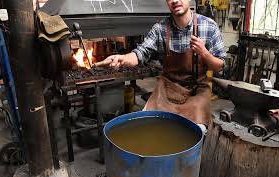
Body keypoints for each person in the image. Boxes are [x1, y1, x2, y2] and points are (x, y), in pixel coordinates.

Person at [95, 0, 225, 126]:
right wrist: (122, 58)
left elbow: (220, 67)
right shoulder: (160, 29)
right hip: (167, 90)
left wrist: (205, 53)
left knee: (196, 132)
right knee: (150, 125)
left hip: (196, 91)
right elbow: (141, 53)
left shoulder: (208, 26)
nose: (174, 1)